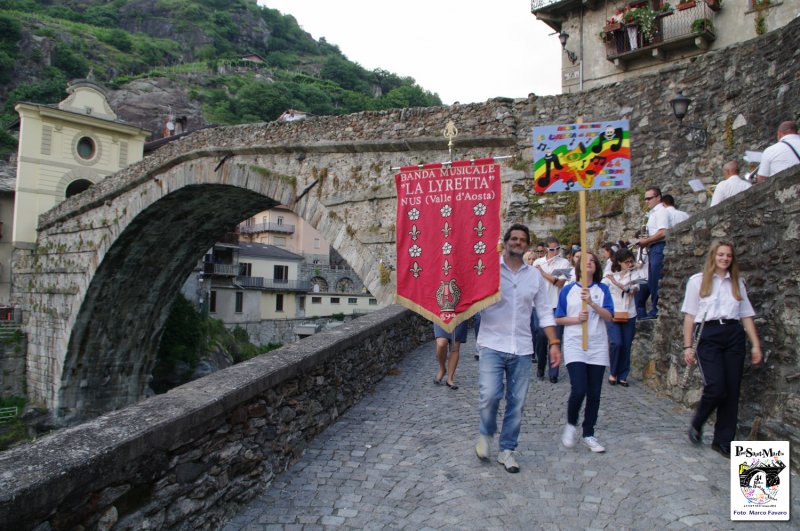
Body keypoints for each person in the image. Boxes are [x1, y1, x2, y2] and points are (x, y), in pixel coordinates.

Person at [475, 224, 562, 473]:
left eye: (523, 239)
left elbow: (544, 312)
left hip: (522, 347)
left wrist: (554, 342)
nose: (518, 242)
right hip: (492, 342)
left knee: (517, 402)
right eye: (514, 238)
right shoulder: (488, 270)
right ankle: (485, 434)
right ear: (505, 241)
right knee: (490, 394)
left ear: (528, 245)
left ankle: (507, 450)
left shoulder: (534, 276)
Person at [682, 240, 763, 458]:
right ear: (713, 256)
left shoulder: (737, 282)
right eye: (721, 255)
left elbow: (746, 314)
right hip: (708, 334)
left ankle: (723, 440)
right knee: (716, 387)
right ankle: (698, 422)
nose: (725, 258)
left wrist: (755, 344)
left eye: (728, 255)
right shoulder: (697, 281)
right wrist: (687, 346)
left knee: (732, 390)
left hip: (734, 334)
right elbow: (689, 315)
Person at [556, 251, 614, 453]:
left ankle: (589, 432)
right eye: (585, 261)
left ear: (597, 267)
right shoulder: (568, 290)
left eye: (593, 261)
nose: (589, 263)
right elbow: (558, 318)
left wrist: (592, 303)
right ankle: (571, 424)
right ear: (578, 266)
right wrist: (576, 319)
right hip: (574, 344)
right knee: (579, 388)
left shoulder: (602, 289)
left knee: (594, 393)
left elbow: (609, 316)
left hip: (597, 345)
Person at [532, 236, 571, 383]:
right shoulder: (537, 262)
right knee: (541, 336)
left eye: (557, 249)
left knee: (556, 338)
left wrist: (543, 273)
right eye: (552, 249)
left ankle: (553, 372)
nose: (555, 252)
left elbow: (560, 283)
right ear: (546, 249)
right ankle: (541, 365)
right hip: (540, 305)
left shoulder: (564, 263)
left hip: (557, 305)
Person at [602, 248, 642, 387]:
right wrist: (611, 280)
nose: (630, 264)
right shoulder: (610, 274)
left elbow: (633, 290)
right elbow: (602, 289)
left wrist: (617, 283)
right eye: (627, 262)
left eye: (631, 261)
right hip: (614, 314)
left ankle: (623, 375)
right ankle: (613, 372)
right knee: (616, 343)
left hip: (629, 314)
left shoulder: (634, 275)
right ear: (619, 262)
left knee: (626, 345)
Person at [635, 186, 670, 319]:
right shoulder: (653, 213)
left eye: (649, 198)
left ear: (658, 198)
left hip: (658, 246)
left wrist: (647, 240)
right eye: (645, 199)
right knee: (652, 280)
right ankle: (655, 309)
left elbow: (662, 231)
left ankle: (656, 310)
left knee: (655, 280)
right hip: (653, 247)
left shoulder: (661, 212)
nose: (646, 201)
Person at [432, 321, 467, 389]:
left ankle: (450, 379)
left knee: (455, 347)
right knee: (441, 343)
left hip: (458, 314)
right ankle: (442, 369)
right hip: (441, 314)